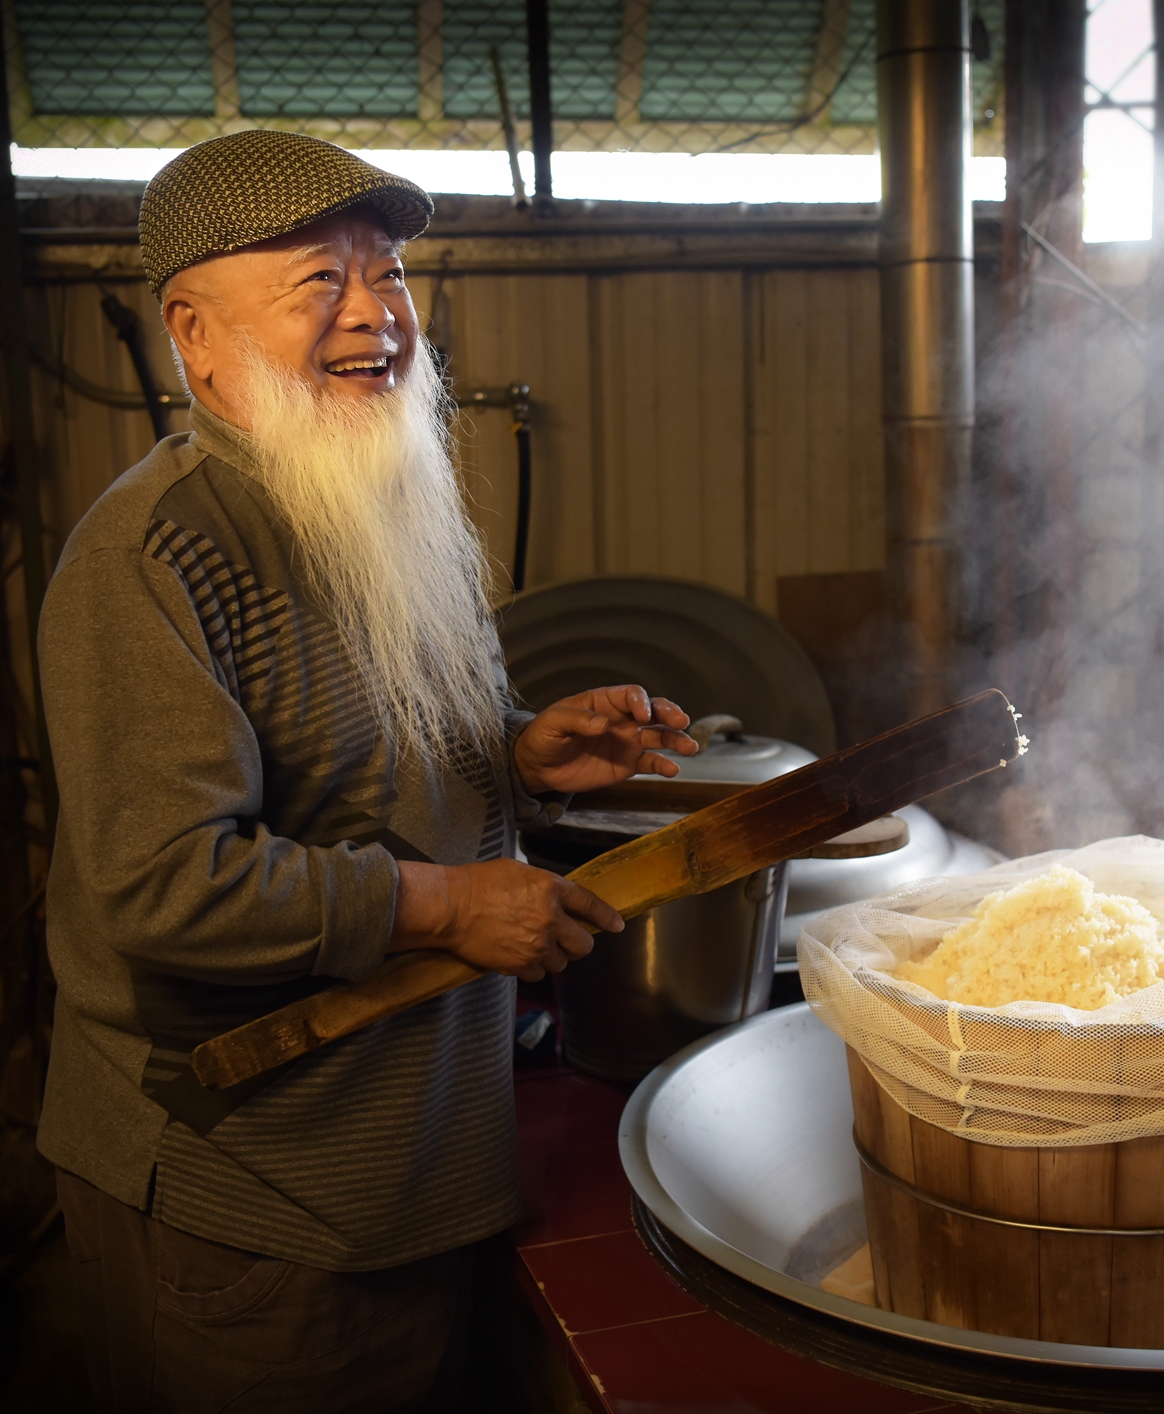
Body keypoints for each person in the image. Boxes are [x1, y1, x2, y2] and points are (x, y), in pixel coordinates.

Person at [35, 130, 696, 1413]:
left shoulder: (365, 490)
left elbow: (367, 758)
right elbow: (166, 888)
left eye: (387, 273)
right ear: (196, 333)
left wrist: (521, 751)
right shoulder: (152, 557)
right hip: (257, 1195)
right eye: (315, 283)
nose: (373, 315)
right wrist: (447, 903)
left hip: (411, 1160)